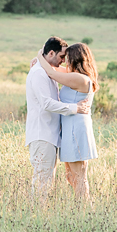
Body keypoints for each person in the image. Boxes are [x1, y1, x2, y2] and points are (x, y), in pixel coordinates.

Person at [25, 36, 90, 201]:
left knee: (51, 178)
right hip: (43, 133)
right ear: (51, 53)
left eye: (66, 58)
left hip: (54, 134)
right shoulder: (41, 73)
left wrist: (40, 56)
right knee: (43, 179)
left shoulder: (52, 72)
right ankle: (37, 216)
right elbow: (46, 103)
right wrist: (75, 108)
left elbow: (54, 73)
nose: (63, 61)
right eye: (62, 57)